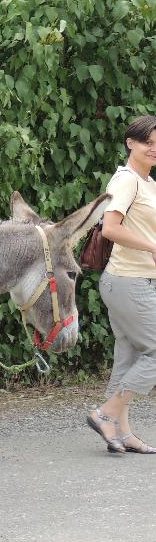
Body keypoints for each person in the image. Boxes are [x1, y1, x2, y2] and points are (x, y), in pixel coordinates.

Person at [85, 114, 156, 454]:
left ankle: (121, 430)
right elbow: (111, 228)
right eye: (147, 142)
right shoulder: (126, 180)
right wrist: (153, 247)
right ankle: (105, 413)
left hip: (136, 280)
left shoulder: (148, 183)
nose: (153, 148)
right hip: (127, 281)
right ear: (131, 143)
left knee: (128, 357)